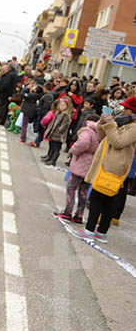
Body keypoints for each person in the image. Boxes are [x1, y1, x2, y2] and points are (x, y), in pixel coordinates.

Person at [75, 108, 136, 244]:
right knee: (107, 199)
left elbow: (118, 142)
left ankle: (90, 230)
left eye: (126, 108)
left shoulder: (133, 127)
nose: (122, 110)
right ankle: (101, 232)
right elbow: (104, 137)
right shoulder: (120, 122)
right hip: (105, 163)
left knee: (98, 198)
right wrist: (102, 124)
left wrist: (110, 123)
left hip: (114, 166)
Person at [57, 114, 100, 223]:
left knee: (71, 187)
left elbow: (83, 143)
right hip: (93, 164)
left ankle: (68, 212)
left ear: (87, 121)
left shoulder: (87, 131)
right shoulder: (101, 132)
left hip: (82, 161)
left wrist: (72, 150)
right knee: (84, 191)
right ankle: (79, 215)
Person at [42, 97, 72, 166]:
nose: (61, 107)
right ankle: (49, 157)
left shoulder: (66, 115)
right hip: (54, 133)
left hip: (59, 134)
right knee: (52, 146)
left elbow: (64, 125)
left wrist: (59, 131)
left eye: (64, 105)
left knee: (56, 148)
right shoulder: (58, 113)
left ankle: (53, 160)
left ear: (67, 107)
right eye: (61, 105)